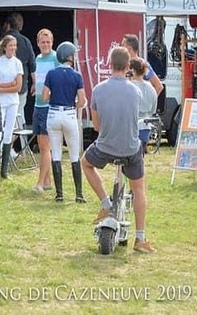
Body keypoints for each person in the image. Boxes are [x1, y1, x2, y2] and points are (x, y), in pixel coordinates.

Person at [81, 46, 155, 253]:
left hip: (105, 146)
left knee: (85, 163)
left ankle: (106, 204)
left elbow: (96, 126)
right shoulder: (136, 90)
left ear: (109, 64)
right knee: (139, 188)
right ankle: (140, 238)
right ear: (128, 66)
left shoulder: (98, 89)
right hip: (130, 149)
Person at [43, 41, 87, 203]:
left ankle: (59, 194)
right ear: (69, 56)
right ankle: (79, 194)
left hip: (53, 114)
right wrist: (73, 104)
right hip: (69, 115)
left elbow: (45, 96)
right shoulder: (76, 75)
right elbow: (82, 100)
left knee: (56, 154)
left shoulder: (51, 74)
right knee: (74, 155)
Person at [32, 28, 60, 193]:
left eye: (48, 41)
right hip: (38, 105)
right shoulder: (38, 58)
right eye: (43, 42)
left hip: (49, 107)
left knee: (45, 146)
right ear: (38, 44)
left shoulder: (56, 58)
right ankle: (48, 181)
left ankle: (41, 183)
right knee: (43, 146)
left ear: (52, 42)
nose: (46, 44)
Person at [0, 34, 23, 179]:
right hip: (1, 101)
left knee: (9, 132)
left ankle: (4, 170)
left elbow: (18, 87)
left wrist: (6, 86)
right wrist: (9, 84)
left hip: (13, 101)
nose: (13, 48)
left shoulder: (18, 63)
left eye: (14, 45)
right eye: (10, 45)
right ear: (4, 47)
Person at [3, 13, 36, 129]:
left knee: (5, 116)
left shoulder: (3, 42)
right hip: (21, 86)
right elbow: (32, 64)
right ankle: (22, 144)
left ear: (7, 25)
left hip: (3, 87)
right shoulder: (26, 41)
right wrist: (34, 82)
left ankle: (7, 144)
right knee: (19, 113)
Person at [128, 58, 158, 149]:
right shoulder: (151, 87)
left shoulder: (129, 87)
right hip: (146, 126)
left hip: (131, 127)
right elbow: (153, 108)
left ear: (132, 70)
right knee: (140, 156)